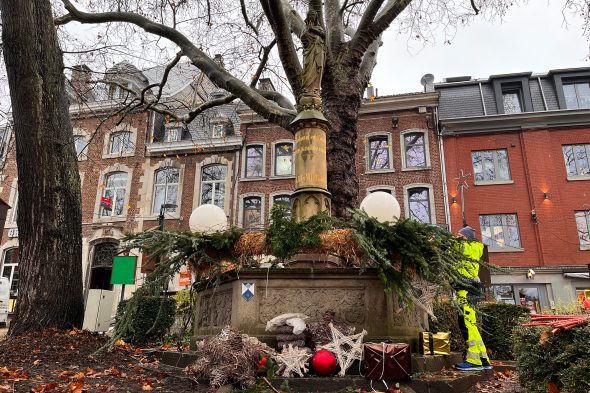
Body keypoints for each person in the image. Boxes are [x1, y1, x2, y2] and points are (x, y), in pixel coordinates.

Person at [454, 225, 492, 371]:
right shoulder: (475, 247)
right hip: (471, 288)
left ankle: (473, 361)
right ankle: (483, 359)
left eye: (459, 234)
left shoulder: (465, 246)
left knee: (466, 323)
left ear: (466, 236)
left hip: (466, 289)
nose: (457, 236)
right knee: (471, 324)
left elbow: (450, 244)